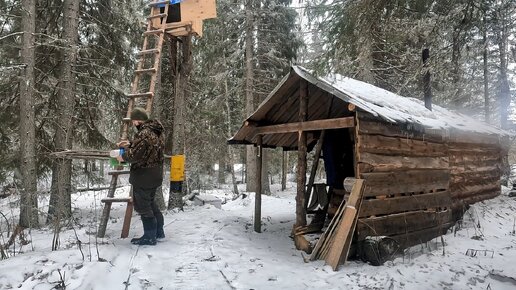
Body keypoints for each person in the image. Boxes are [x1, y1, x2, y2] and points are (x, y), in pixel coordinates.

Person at [116, 107, 165, 246]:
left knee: (143, 206)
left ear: (137, 120)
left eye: (133, 121)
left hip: (144, 175)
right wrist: (131, 144)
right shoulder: (157, 131)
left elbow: (136, 155)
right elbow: (148, 148)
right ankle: (158, 232)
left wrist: (123, 156)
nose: (133, 124)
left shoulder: (144, 133)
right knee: (151, 203)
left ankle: (149, 237)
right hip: (155, 173)